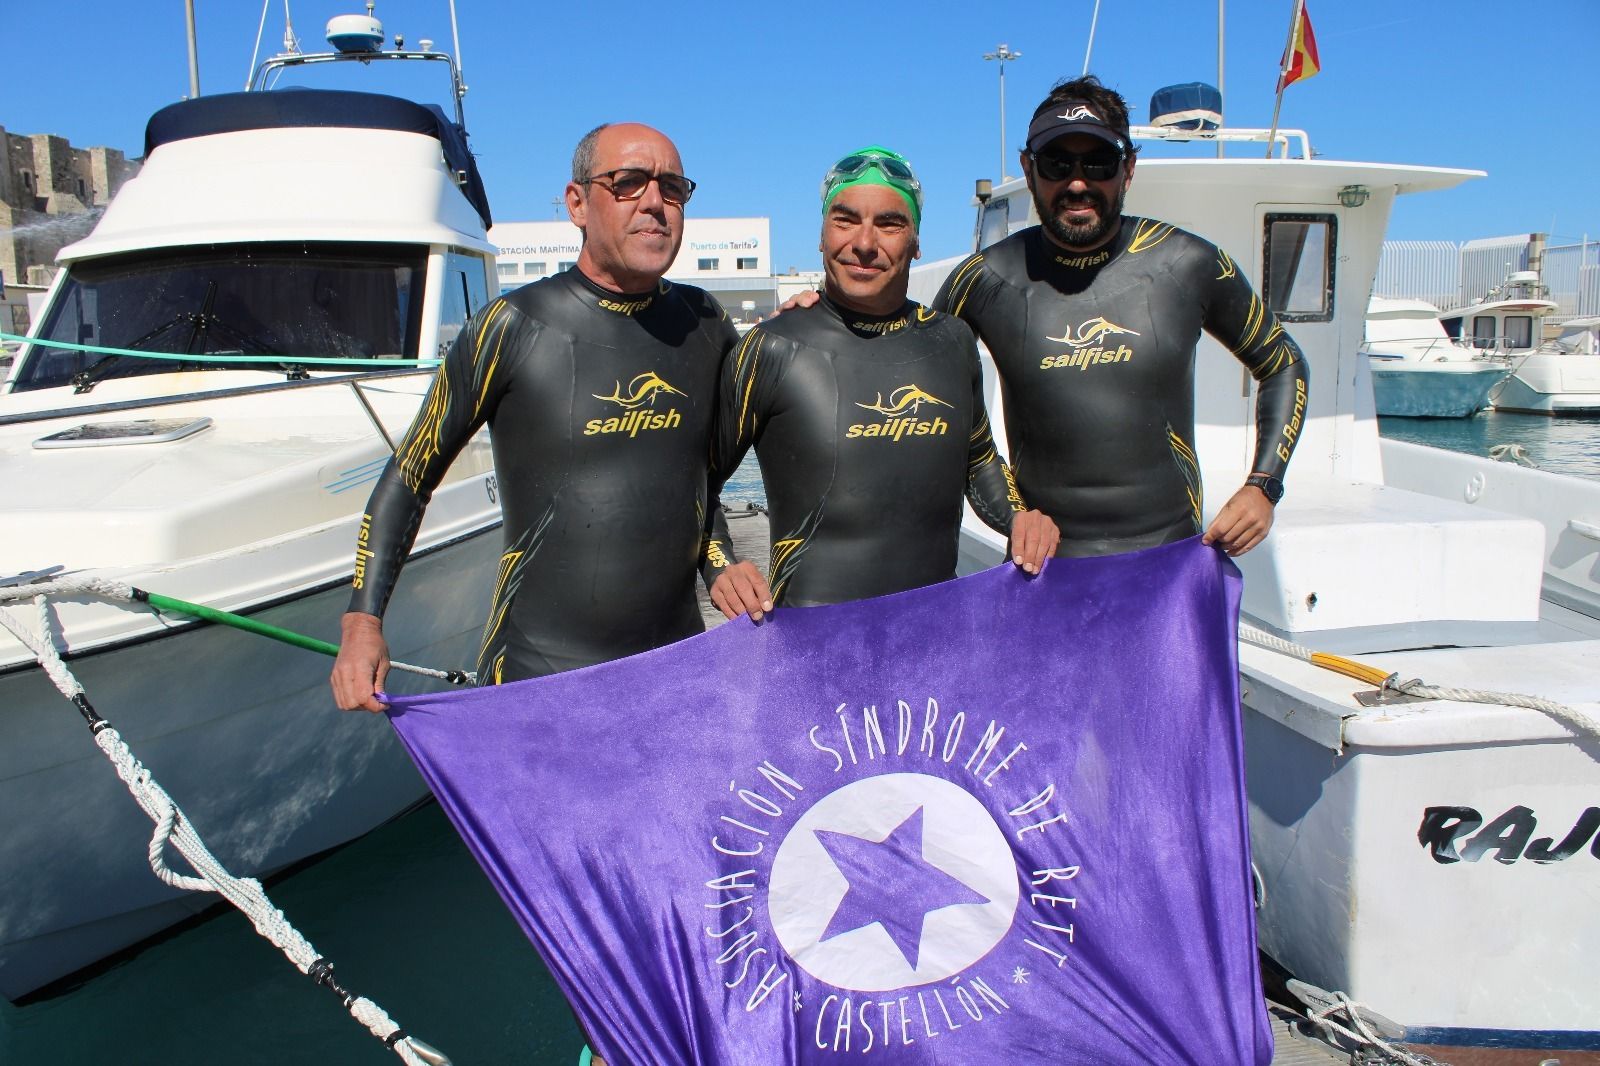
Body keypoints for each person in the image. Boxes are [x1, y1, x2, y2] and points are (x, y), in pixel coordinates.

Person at [331, 121, 771, 712]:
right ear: (577, 203)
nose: (654, 202)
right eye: (628, 182)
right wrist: (363, 622)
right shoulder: (511, 326)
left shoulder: (704, 323)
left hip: (676, 674)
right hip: (537, 680)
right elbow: (410, 477)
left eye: (672, 188)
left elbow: (700, 476)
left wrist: (718, 561)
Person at [933, 75, 1311, 559]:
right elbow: (928, 394)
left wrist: (1264, 485)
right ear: (1029, 169)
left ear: (1128, 169)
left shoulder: (1188, 263)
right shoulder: (984, 279)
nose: (1077, 182)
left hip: (1170, 562)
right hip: (1042, 569)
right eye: (1056, 163)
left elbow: (1283, 363)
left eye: (1099, 162)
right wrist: (1013, 515)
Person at [704, 146, 1057, 617]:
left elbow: (978, 458)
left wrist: (1020, 516)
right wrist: (720, 564)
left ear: (916, 242)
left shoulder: (951, 340)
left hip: (935, 632)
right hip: (813, 639)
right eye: (845, 220)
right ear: (822, 235)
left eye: (889, 224)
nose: (865, 243)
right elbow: (699, 480)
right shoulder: (771, 348)